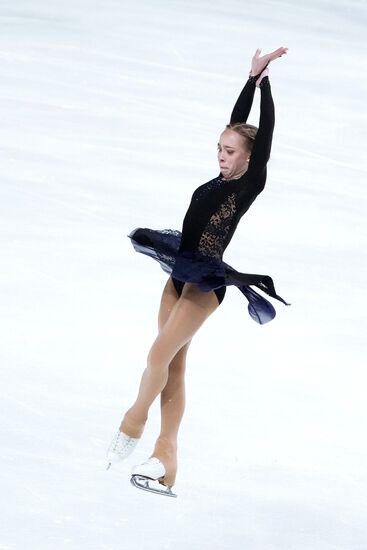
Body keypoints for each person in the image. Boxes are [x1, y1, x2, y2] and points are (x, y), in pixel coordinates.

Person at [107, 47, 289, 494]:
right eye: (219, 149)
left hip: (204, 285)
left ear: (248, 157)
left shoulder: (250, 180)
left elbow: (261, 136)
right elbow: (238, 123)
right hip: (177, 274)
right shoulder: (219, 178)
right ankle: (165, 460)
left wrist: (266, 87)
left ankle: (133, 423)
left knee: (157, 357)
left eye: (230, 151)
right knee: (173, 366)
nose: (222, 156)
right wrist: (249, 81)